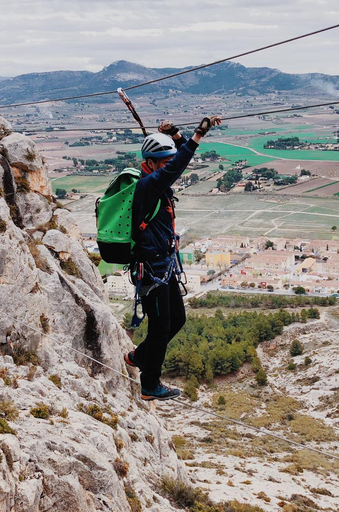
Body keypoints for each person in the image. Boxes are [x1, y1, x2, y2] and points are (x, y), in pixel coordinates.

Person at [124, 115, 221, 400]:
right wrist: (196, 136)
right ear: (151, 164)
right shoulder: (147, 186)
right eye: (162, 163)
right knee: (160, 327)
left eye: (167, 161)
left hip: (163, 266)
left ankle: (137, 357)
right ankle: (149, 384)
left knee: (176, 319)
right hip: (150, 268)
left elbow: (174, 160)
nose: (168, 167)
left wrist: (176, 135)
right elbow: (176, 166)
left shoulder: (154, 179)